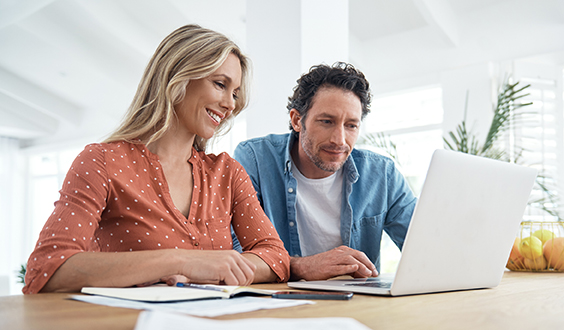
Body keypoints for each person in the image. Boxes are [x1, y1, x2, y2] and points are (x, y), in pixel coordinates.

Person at [23, 24, 290, 294]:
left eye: (235, 93)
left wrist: (220, 269)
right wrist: (179, 261)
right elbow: (47, 269)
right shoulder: (101, 161)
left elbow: (275, 257)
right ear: (177, 77)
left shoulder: (226, 173)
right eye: (220, 84)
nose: (231, 105)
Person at [233, 62, 416, 281]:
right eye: (327, 121)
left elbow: (424, 246)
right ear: (297, 120)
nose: (339, 140)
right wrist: (301, 267)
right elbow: (236, 254)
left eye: (351, 125)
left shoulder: (382, 174)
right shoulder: (255, 159)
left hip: (359, 305)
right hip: (279, 303)